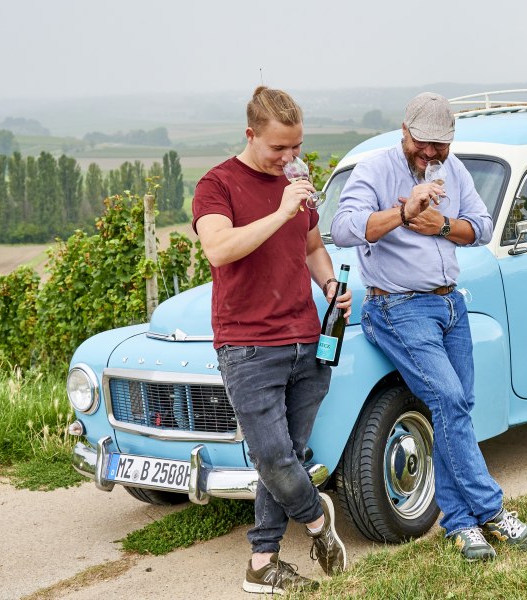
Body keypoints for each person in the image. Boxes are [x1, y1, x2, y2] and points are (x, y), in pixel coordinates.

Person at [330, 92, 527, 561]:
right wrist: (404, 214)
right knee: (448, 399)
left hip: (450, 306)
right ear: (404, 131)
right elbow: (345, 228)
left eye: (439, 146)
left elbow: (482, 227)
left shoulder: (455, 169)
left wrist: (442, 225)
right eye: (422, 144)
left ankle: (461, 525)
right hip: (397, 307)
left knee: (457, 408)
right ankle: (492, 511)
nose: (430, 154)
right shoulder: (374, 169)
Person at [192, 86, 350, 594]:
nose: (289, 158)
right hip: (249, 346)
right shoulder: (217, 185)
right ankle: (317, 522)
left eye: (296, 147)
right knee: (274, 458)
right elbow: (219, 249)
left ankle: (262, 563)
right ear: (250, 135)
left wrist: (328, 284)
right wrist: (280, 211)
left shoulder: (297, 184)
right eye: (278, 148)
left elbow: (311, 244)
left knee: (289, 454)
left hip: (307, 338)